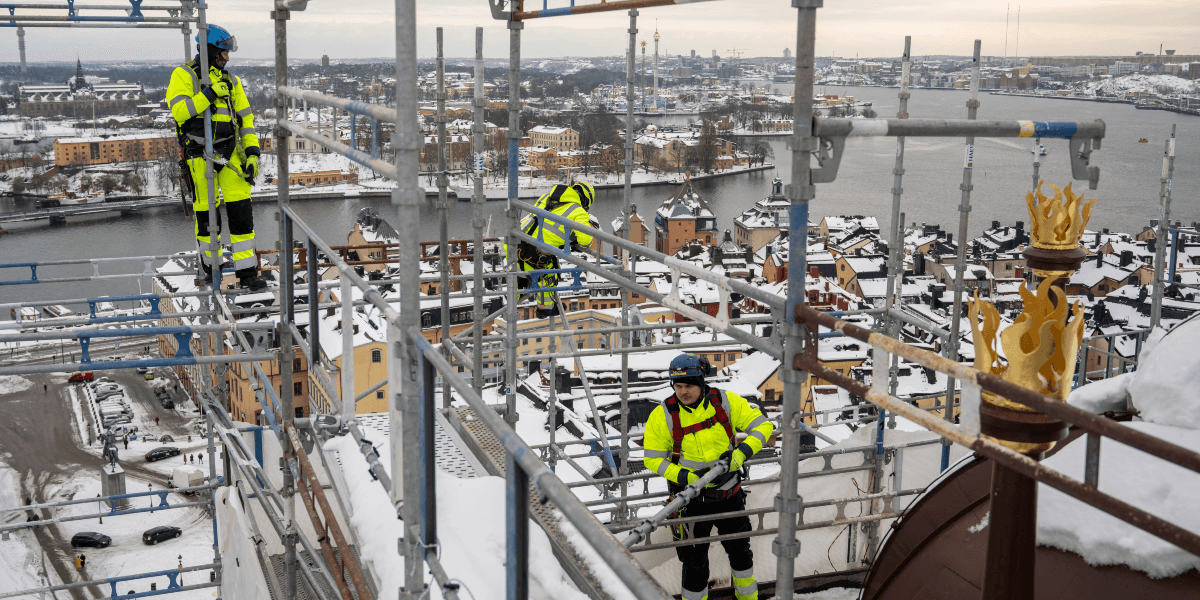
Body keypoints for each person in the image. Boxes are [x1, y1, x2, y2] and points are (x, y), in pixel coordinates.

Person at [642, 354, 774, 600]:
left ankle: (747, 597)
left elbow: (764, 426)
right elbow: (652, 458)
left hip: (730, 494)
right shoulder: (663, 415)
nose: (683, 392)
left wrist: (742, 453)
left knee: (741, 553)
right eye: (678, 386)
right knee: (694, 563)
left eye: (689, 386)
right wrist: (684, 476)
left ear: (701, 382)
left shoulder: (725, 402)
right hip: (690, 502)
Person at [166, 24, 266, 291]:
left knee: (241, 216)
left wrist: (253, 154)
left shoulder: (232, 82)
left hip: (231, 156)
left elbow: (246, 122)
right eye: (223, 53)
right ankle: (213, 270)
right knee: (208, 219)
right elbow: (180, 111)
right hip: (200, 157)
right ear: (210, 51)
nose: (227, 58)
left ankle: (247, 273)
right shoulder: (184, 75)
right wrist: (208, 95)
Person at [511, 181, 597, 318]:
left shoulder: (546, 197)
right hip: (533, 258)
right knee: (551, 269)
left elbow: (547, 225)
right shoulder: (578, 211)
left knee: (515, 286)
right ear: (586, 200)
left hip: (515, 247)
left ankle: (516, 294)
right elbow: (585, 242)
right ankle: (545, 308)